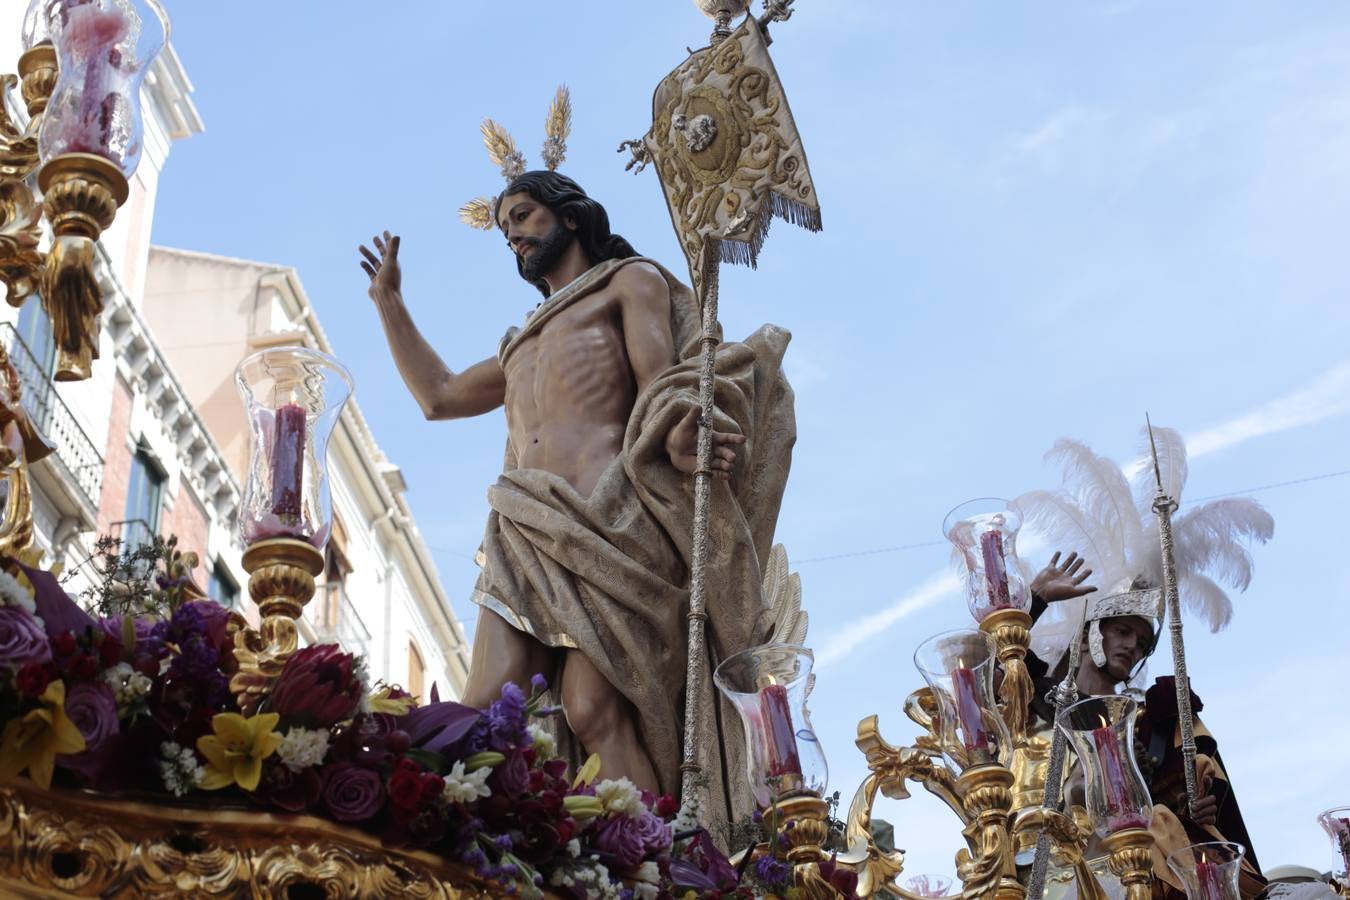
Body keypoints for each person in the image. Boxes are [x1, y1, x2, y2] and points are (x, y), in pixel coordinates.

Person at [359, 169, 794, 820]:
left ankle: (657, 871)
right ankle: (463, 851)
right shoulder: (517, 346)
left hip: (610, 522)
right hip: (525, 523)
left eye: (526, 215)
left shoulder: (628, 282)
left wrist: (680, 434)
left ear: (572, 214)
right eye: (506, 226)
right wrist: (389, 302)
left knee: (594, 709)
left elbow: (660, 388)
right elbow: (439, 395)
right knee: (484, 701)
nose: (515, 234)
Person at [1014, 428, 1273, 898]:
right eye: (1122, 630)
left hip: (1131, 872)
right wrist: (1033, 602)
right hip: (1043, 874)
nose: (1132, 646)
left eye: (1142, 639)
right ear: (1095, 630)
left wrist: (1193, 810)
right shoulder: (1038, 693)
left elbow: (1167, 808)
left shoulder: (1151, 722)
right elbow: (990, 682)